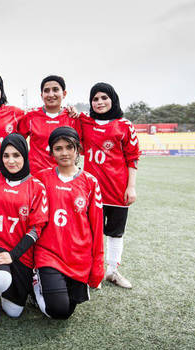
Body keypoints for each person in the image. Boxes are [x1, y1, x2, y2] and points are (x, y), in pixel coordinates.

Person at [33, 127, 104, 320]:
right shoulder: (41, 178)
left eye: (69, 147)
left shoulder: (90, 182)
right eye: (58, 148)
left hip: (78, 256)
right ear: (51, 152)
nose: (64, 153)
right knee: (59, 311)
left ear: (78, 149)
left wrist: (98, 264)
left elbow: (97, 227)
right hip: (49, 253)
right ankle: (35, 284)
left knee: (69, 309)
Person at [0, 133, 48, 322]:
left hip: (21, 252)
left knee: (14, 311)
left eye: (16, 155)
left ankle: (24, 283)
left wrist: (13, 254)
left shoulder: (36, 187)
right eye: (6, 155)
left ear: (25, 156)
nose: (11, 161)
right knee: (0, 279)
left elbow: (36, 229)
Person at [79, 82, 140, 288]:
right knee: (88, 233)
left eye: (104, 98)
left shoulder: (124, 125)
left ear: (113, 99)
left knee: (115, 233)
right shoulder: (84, 122)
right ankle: (89, 271)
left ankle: (113, 271)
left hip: (117, 190)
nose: (99, 102)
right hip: (91, 192)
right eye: (95, 99)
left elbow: (133, 158)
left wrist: (131, 187)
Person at [18, 75, 80, 175]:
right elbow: (17, 142)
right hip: (36, 176)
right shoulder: (30, 117)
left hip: (63, 177)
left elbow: (80, 148)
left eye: (55, 90)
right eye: (46, 91)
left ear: (64, 93)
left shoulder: (72, 117)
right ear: (41, 95)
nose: (51, 94)